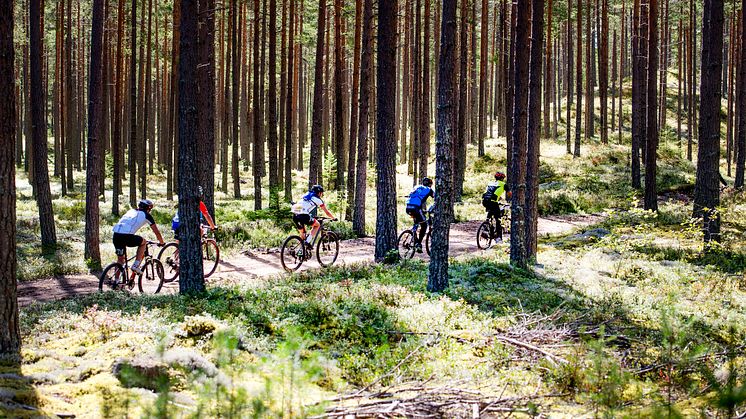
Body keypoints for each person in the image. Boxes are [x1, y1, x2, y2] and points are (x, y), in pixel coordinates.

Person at [112, 199, 165, 274]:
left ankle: (116, 281)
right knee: (144, 242)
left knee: (120, 260)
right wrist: (162, 242)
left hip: (116, 235)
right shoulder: (147, 215)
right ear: (148, 209)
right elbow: (157, 232)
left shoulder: (130, 211)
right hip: (127, 236)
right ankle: (135, 265)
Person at [405, 177, 434, 253]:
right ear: (430, 184)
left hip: (408, 207)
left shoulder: (417, 187)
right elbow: (437, 197)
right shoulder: (429, 189)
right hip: (416, 208)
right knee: (424, 225)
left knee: (417, 223)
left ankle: (415, 238)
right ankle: (418, 243)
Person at [482, 171, 510, 240]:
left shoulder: (490, 183)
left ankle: (486, 226)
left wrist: (499, 198)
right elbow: (510, 194)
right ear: (502, 178)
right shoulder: (503, 184)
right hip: (493, 202)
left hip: (485, 201)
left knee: (491, 211)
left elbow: (490, 192)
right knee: (498, 219)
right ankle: (498, 238)